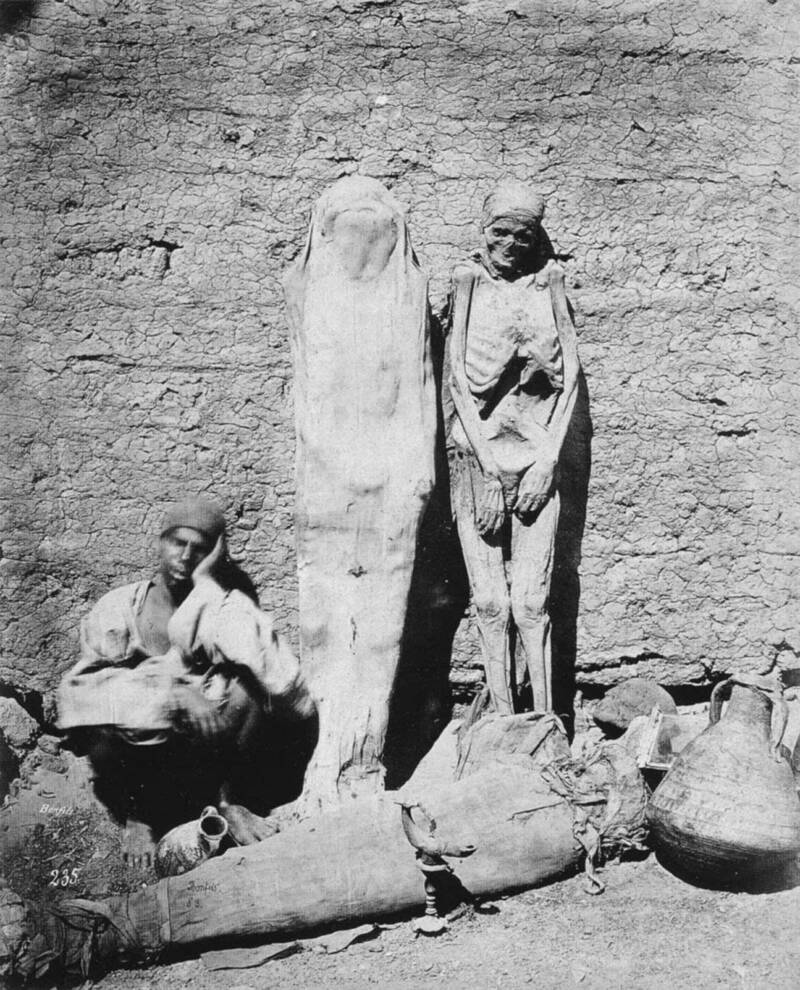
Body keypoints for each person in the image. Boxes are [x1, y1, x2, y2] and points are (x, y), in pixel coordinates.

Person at [58, 497, 316, 867]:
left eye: (200, 549)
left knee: (247, 687)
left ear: (214, 555)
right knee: (105, 713)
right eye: (178, 543)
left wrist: (208, 584)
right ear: (160, 542)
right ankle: (140, 816)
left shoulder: (217, 608)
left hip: (200, 746)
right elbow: (83, 690)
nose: (185, 556)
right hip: (138, 751)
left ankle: (229, 801)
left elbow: (278, 678)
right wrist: (173, 693)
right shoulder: (120, 608)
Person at [444, 180, 580, 714]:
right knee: (490, 602)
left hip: (535, 458)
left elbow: (570, 378)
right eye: (501, 232)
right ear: (485, 231)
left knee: (531, 602)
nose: (511, 245)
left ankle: (544, 723)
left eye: (523, 236)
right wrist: (486, 470)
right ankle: (502, 721)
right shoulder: (468, 281)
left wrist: (548, 462)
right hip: (477, 458)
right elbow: (457, 381)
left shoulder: (550, 282)